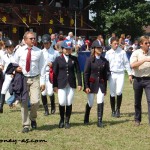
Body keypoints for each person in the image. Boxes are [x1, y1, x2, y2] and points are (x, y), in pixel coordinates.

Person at [14, 31, 45, 133]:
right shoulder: (19, 51)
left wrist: (43, 82)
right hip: (23, 78)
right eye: (31, 38)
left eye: (34, 38)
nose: (33, 40)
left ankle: (33, 118)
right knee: (23, 102)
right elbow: (14, 63)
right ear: (25, 40)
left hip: (35, 79)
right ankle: (26, 125)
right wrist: (16, 69)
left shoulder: (39, 51)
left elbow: (42, 68)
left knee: (35, 102)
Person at [53, 39, 82, 129]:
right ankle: (61, 119)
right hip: (61, 83)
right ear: (62, 49)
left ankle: (67, 120)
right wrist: (54, 85)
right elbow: (54, 73)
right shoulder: (58, 59)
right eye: (66, 49)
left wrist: (80, 83)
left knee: (69, 102)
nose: (68, 50)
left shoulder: (74, 59)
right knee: (62, 102)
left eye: (69, 49)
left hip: (71, 83)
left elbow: (78, 71)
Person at [83, 40, 110, 127]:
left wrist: (105, 88)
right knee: (90, 102)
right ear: (94, 49)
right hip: (92, 84)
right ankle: (86, 115)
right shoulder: (89, 60)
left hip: (101, 84)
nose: (100, 49)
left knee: (100, 100)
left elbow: (105, 75)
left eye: (101, 48)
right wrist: (86, 86)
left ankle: (99, 121)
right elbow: (86, 73)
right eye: (98, 48)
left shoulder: (104, 60)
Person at [105, 37, 132, 118]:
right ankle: (113, 110)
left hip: (120, 73)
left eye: (117, 43)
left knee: (119, 91)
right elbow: (105, 64)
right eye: (115, 44)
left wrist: (130, 74)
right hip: (112, 74)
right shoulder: (108, 53)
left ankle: (118, 109)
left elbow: (126, 63)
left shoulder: (122, 52)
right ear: (111, 44)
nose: (116, 45)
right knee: (112, 93)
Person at [130, 35, 150, 126]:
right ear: (141, 44)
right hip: (138, 79)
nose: (148, 44)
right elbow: (133, 65)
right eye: (146, 43)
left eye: (149, 42)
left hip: (148, 80)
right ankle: (137, 120)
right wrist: (144, 60)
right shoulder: (136, 53)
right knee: (137, 101)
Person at [41, 34, 59, 116]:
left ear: (50, 43)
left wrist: (53, 64)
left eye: (47, 43)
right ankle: (46, 110)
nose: (46, 45)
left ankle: (53, 106)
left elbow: (59, 63)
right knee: (43, 92)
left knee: (50, 92)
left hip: (51, 74)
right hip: (43, 74)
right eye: (44, 43)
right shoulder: (40, 52)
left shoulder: (55, 53)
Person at [0, 40, 16, 113]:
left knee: (18, 90)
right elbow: (2, 65)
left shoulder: (16, 55)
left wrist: (15, 72)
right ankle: (1, 107)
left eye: (12, 47)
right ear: (6, 48)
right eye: (9, 47)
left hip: (15, 75)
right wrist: (2, 69)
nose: (11, 48)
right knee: (3, 90)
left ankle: (27, 104)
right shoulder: (3, 56)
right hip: (7, 75)